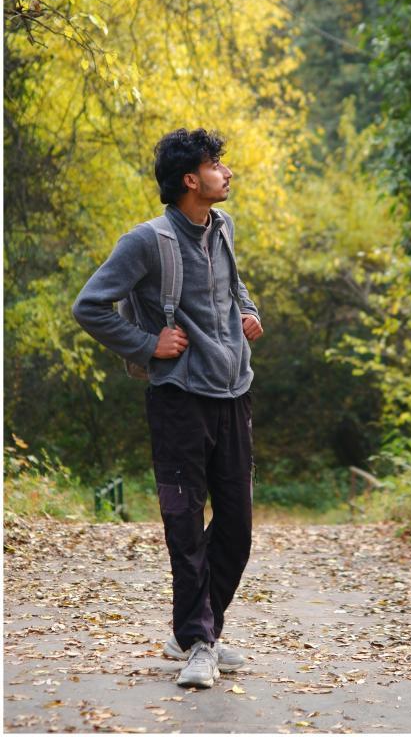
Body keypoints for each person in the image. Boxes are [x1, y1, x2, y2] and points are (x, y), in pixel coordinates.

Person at [72, 127, 263, 689]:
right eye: (216, 165)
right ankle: (201, 642)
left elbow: (233, 287)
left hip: (233, 394)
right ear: (190, 179)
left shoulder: (223, 228)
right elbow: (90, 306)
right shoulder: (146, 242)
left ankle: (192, 631)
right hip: (178, 399)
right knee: (184, 524)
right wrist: (147, 343)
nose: (226, 173)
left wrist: (250, 313)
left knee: (238, 527)